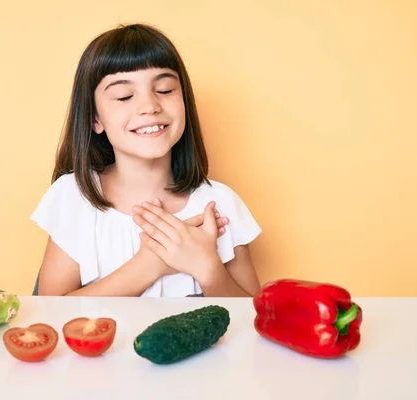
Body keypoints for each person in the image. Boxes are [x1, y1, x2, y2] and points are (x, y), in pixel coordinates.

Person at [30, 23, 262, 297]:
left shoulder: (220, 205)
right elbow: (50, 315)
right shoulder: (74, 197)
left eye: (164, 90)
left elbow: (255, 320)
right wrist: (149, 265)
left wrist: (208, 267)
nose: (150, 106)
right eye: (124, 96)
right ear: (95, 119)